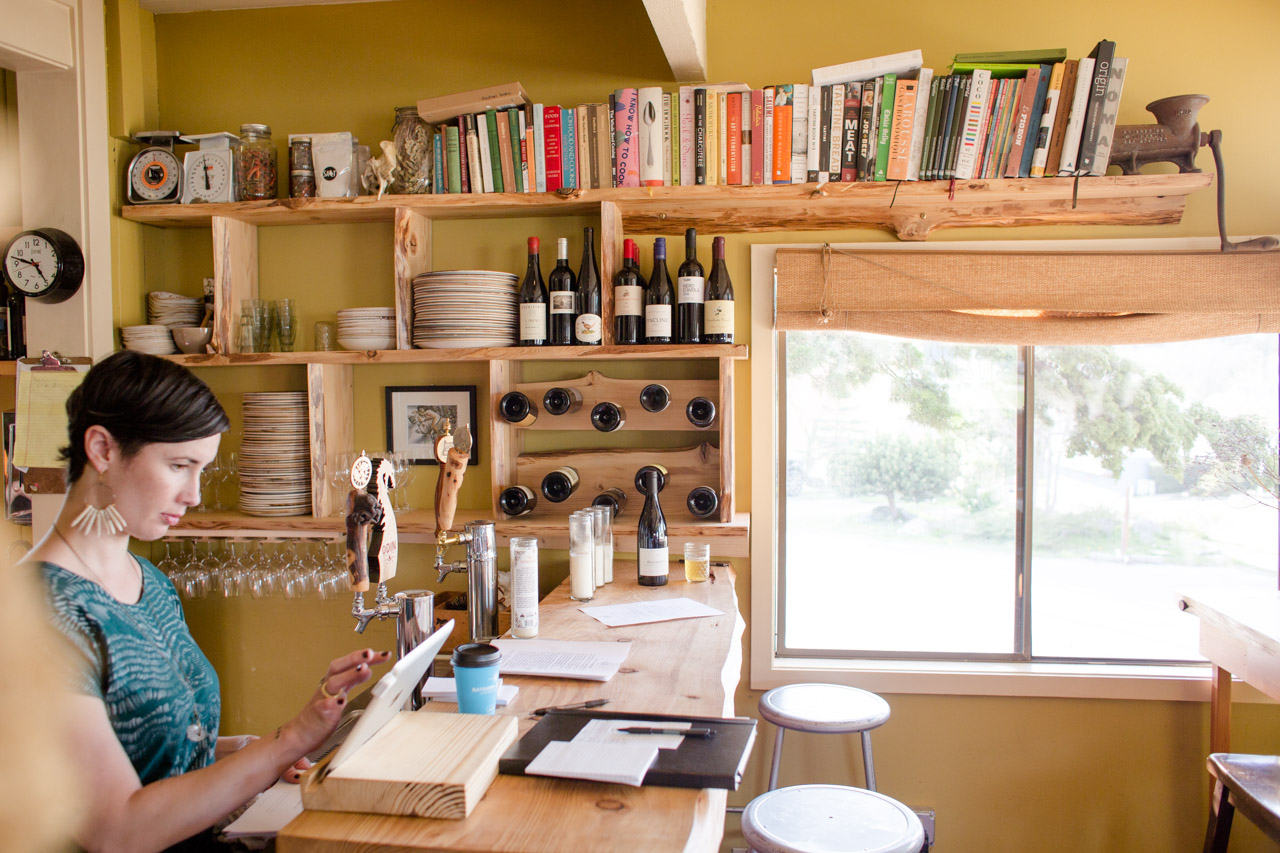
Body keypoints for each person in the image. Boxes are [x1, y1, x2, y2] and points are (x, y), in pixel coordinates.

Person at [23, 351, 388, 852]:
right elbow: (116, 831)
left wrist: (255, 750)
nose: (194, 495)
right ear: (103, 449)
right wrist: (291, 740)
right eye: (178, 466)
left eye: (202, 470)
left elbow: (156, 748)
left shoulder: (148, 581)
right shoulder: (37, 614)